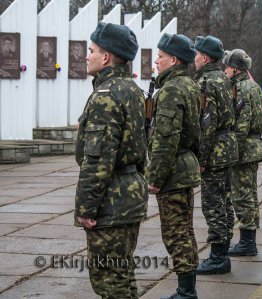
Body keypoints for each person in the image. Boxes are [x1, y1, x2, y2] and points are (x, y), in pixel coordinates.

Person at [74, 22, 148, 298]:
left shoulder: (105, 96)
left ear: (105, 57)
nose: (86, 55)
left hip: (111, 201)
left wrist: (86, 208)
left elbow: (97, 161)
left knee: (109, 282)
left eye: (91, 50)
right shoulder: (131, 89)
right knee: (123, 275)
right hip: (129, 194)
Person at [146, 33, 200, 299]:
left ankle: (186, 292)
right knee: (185, 230)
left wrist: (154, 177)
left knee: (175, 234)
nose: (156, 61)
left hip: (174, 172)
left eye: (160, 56)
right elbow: (197, 129)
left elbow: (165, 139)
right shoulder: (189, 84)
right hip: (184, 167)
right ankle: (187, 288)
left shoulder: (172, 89)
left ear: (173, 59)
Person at [193, 35, 238, 274]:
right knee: (224, 202)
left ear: (205, 57)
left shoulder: (207, 81)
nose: (194, 58)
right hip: (227, 147)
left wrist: (201, 158)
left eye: (197, 53)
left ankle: (218, 257)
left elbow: (207, 122)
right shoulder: (222, 78)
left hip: (215, 150)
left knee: (213, 204)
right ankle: (223, 251)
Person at [223, 49, 262, 256]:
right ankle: (249, 240)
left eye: (227, 67)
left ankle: (248, 243)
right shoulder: (254, 86)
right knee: (250, 195)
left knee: (242, 196)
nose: (225, 70)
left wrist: (234, 150)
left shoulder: (240, 88)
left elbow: (242, 122)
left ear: (235, 68)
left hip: (245, 148)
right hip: (254, 145)